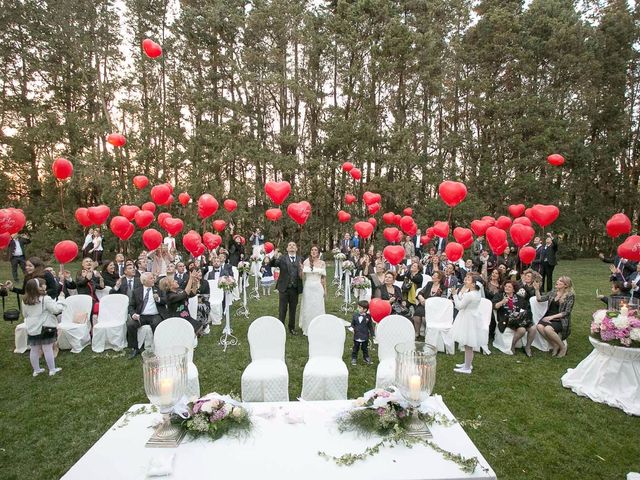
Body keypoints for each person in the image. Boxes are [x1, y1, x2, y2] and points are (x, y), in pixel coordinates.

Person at [22, 278, 64, 376]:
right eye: (43, 284)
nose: (45, 286)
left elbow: (25, 314)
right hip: (45, 327)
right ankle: (52, 369)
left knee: (34, 349)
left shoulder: (25, 300)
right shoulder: (45, 299)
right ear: (38, 287)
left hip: (32, 327)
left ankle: (36, 370)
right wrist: (61, 299)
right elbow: (56, 309)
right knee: (47, 348)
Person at [451, 273, 484, 374]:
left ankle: (467, 367)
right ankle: (467, 363)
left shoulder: (470, 295)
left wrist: (454, 295)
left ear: (473, 284)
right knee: (468, 344)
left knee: (468, 344)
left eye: (469, 280)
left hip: (467, 318)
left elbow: (459, 306)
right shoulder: (476, 293)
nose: (466, 281)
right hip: (472, 317)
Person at [534, 276, 575, 357]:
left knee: (547, 329)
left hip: (560, 319)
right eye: (558, 280)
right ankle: (554, 345)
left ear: (565, 285)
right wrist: (536, 289)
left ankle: (563, 347)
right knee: (539, 326)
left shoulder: (570, 295)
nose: (557, 281)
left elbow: (566, 312)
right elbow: (540, 299)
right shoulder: (553, 292)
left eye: (560, 281)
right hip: (548, 317)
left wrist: (551, 317)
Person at [493, 280, 536, 356]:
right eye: (505, 286)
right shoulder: (499, 296)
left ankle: (528, 347)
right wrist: (502, 302)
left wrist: (520, 313)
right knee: (522, 330)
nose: (506, 288)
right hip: (506, 319)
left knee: (533, 328)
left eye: (509, 287)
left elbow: (525, 309)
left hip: (519, 319)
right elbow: (494, 306)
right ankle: (512, 345)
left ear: (513, 289)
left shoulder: (519, 298)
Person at [128, 272, 163, 358]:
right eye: (151, 278)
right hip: (141, 316)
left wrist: (158, 299)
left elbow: (165, 300)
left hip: (155, 315)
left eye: (153, 278)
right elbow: (131, 306)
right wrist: (133, 314)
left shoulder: (158, 289)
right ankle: (135, 348)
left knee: (156, 324)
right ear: (144, 281)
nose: (153, 279)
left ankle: (158, 348)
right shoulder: (137, 291)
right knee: (130, 325)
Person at [271, 242, 303, 335]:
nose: (292, 246)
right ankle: (280, 328)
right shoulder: (282, 258)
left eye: (294, 245)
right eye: (290, 245)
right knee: (282, 309)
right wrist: (274, 256)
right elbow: (272, 264)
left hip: (295, 288)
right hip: (284, 288)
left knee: (293, 309)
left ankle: (291, 328)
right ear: (287, 249)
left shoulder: (300, 259)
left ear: (296, 248)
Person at [299, 245, 327, 335]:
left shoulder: (322, 263)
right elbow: (302, 277)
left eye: (315, 250)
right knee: (308, 306)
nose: (313, 251)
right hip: (308, 287)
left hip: (318, 287)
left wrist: (325, 289)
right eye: (312, 250)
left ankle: (318, 326)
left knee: (318, 306)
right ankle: (307, 327)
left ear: (318, 253)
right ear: (310, 252)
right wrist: (301, 270)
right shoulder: (306, 262)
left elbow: (323, 278)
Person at [413, 271, 445, 339]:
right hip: (424, 304)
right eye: (433, 275)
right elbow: (421, 292)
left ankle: (428, 333)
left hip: (434, 307)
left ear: (439, 279)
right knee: (416, 316)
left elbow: (442, 300)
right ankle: (417, 333)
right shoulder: (429, 284)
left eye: (434, 276)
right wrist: (421, 298)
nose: (432, 276)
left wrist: (430, 303)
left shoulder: (443, 287)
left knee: (425, 318)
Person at [351, 300, 374, 365]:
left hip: (365, 335)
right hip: (357, 335)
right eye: (358, 307)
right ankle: (354, 358)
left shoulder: (368, 317)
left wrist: (372, 334)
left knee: (365, 348)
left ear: (365, 309)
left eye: (360, 308)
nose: (358, 308)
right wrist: (352, 328)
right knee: (355, 348)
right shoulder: (355, 315)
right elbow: (352, 324)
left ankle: (366, 357)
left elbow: (370, 326)